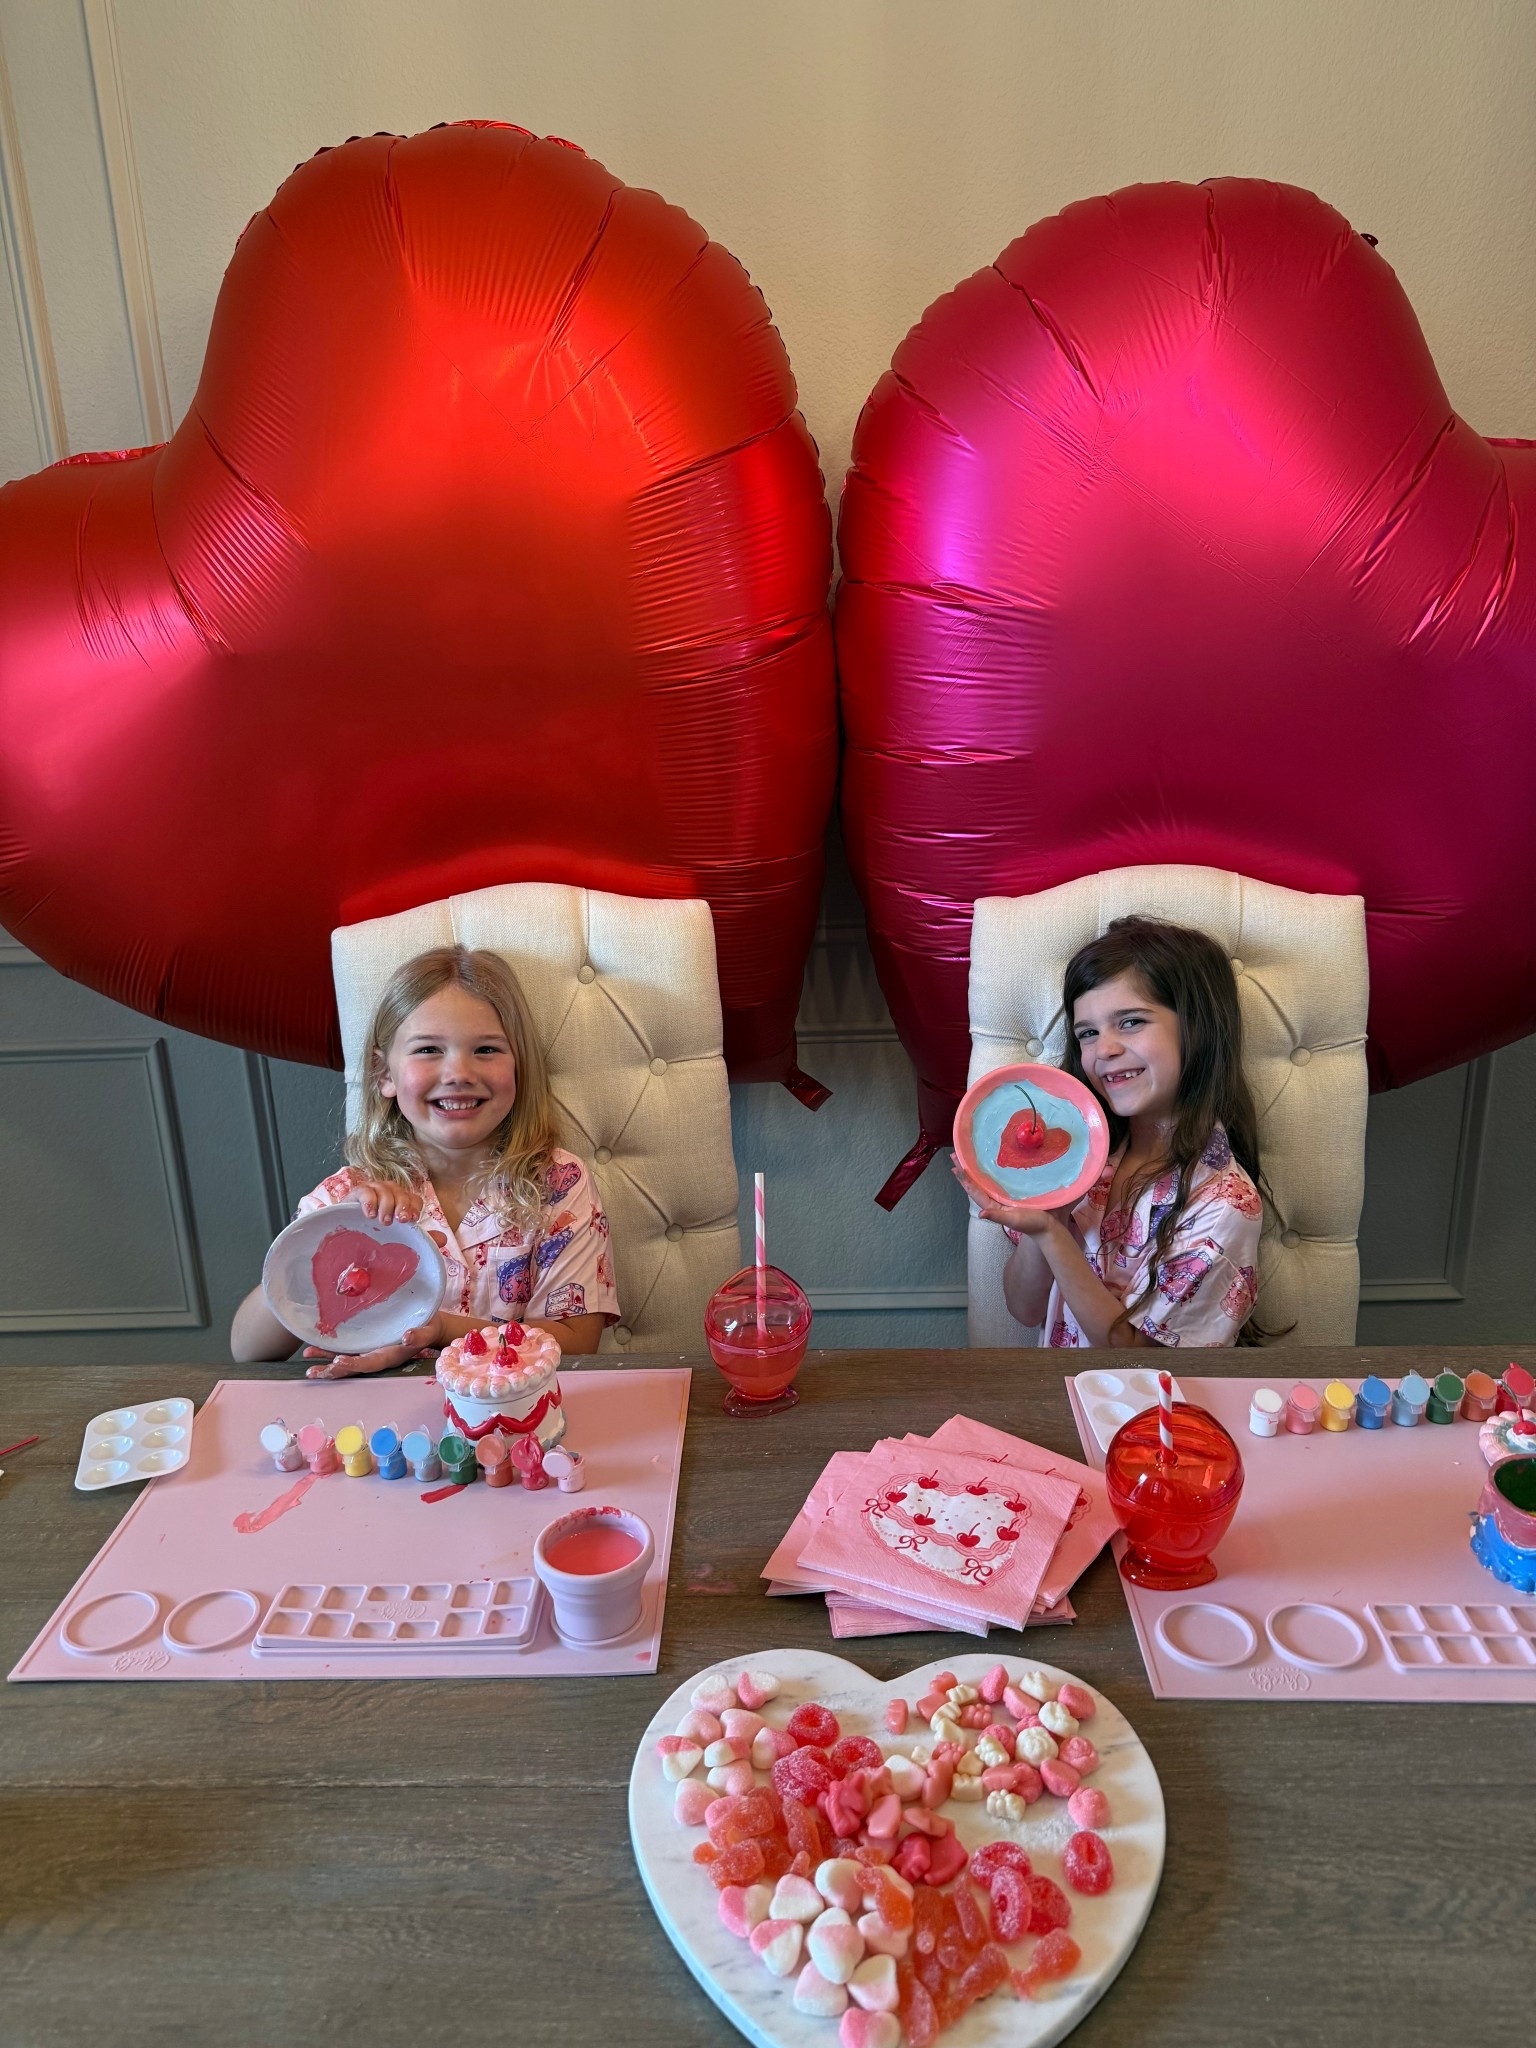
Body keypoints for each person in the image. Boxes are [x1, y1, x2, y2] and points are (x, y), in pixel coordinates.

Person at [231, 945, 618, 1375]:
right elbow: (248, 1349)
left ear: (519, 1068)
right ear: (384, 1074)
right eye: (429, 1050)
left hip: (510, 1422)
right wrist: (320, 1244)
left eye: (486, 1050)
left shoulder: (558, 1183)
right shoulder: (347, 1199)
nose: (458, 1073)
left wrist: (440, 1330)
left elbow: (579, 1343)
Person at [960, 917, 1272, 1347]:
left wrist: (1055, 1235)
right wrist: (1046, 1221)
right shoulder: (1079, 1156)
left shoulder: (1223, 1201)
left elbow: (1136, 1359)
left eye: (1130, 1022)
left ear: (1197, 1027)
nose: (1103, 1049)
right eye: (1087, 1033)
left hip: (1149, 1409)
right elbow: (1025, 1308)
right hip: (1064, 1398)